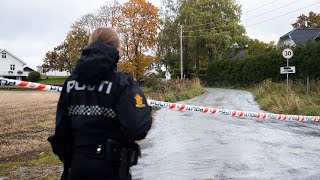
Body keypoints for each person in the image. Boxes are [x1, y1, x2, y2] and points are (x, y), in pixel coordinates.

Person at [48, 27, 152, 180]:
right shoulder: (122, 83)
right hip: (112, 169)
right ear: (116, 49)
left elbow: (61, 130)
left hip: (76, 167)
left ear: (90, 45)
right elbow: (137, 128)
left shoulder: (71, 83)